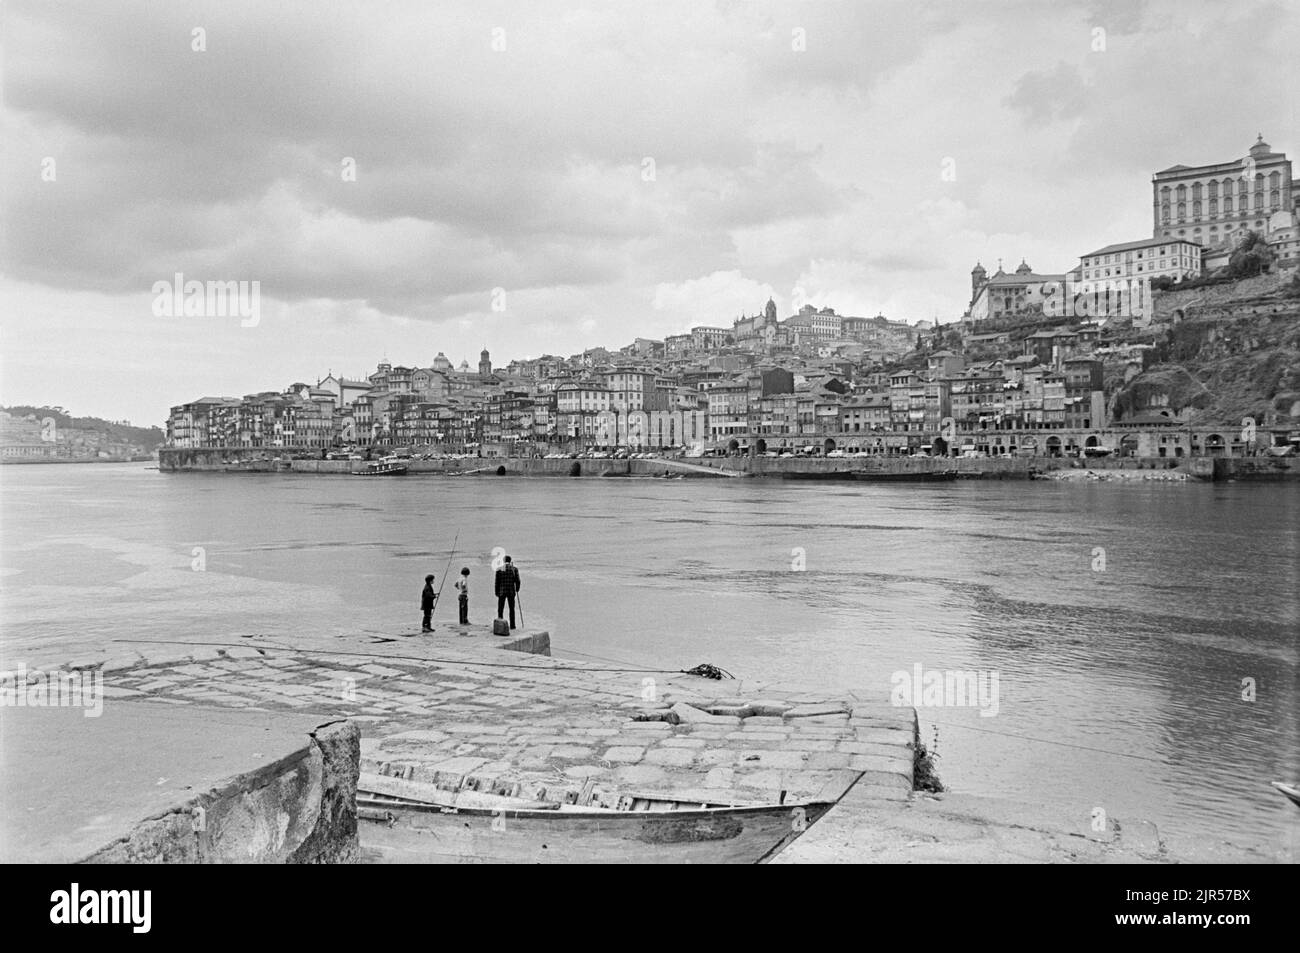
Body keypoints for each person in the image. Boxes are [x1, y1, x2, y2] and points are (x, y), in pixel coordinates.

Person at [495, 555, 521, 630]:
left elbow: (497, 582)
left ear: (503, 561)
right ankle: (512, 625)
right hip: (511, 591)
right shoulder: (514, 569)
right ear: (510, 561)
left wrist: (496, 592)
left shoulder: (499, 569)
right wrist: (517, 589)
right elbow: (518, 581)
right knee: (512, 609)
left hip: (501, 591)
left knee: (500, 609)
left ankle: (500, 625)